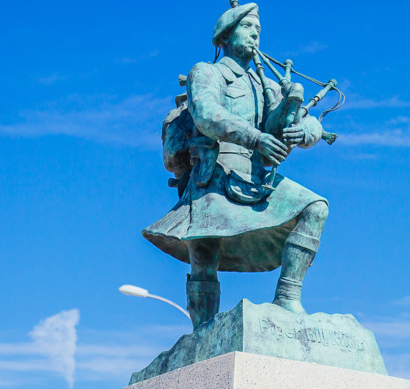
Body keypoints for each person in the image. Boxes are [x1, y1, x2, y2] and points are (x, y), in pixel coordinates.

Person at [142, 1, 331, 328]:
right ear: (226, 36)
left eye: (258, 29)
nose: (255, 34)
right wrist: (255, 138)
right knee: (204, 252)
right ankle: (202, 331)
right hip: (213, 174)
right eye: (247, 27)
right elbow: (207, 114)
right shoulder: (208, 72)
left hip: (257, 178)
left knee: (315, 208)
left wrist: (303, 128)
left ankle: (287, 297)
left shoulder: (265, 85)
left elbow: (305, 124)